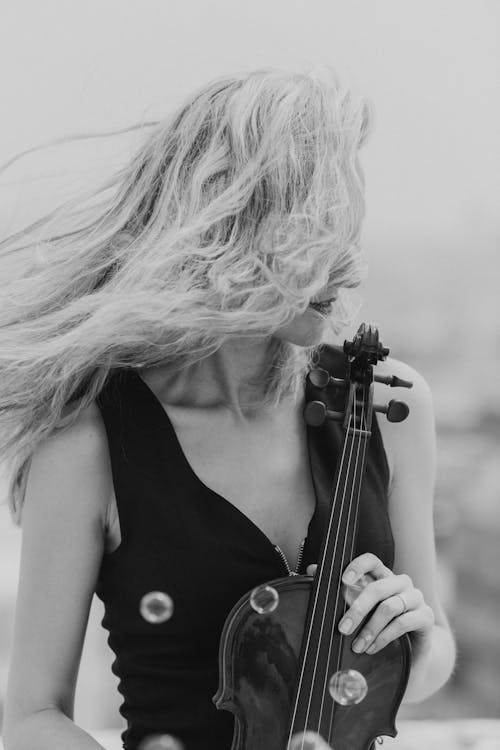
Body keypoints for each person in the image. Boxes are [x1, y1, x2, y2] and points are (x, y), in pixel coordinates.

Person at [1, 67, 456, 750]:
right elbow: (33, 716)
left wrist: (416, 640)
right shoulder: (88, 442)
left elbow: (432, 657)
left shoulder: (391, 406)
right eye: (329, 230)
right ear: (238, 234)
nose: (355, 266)